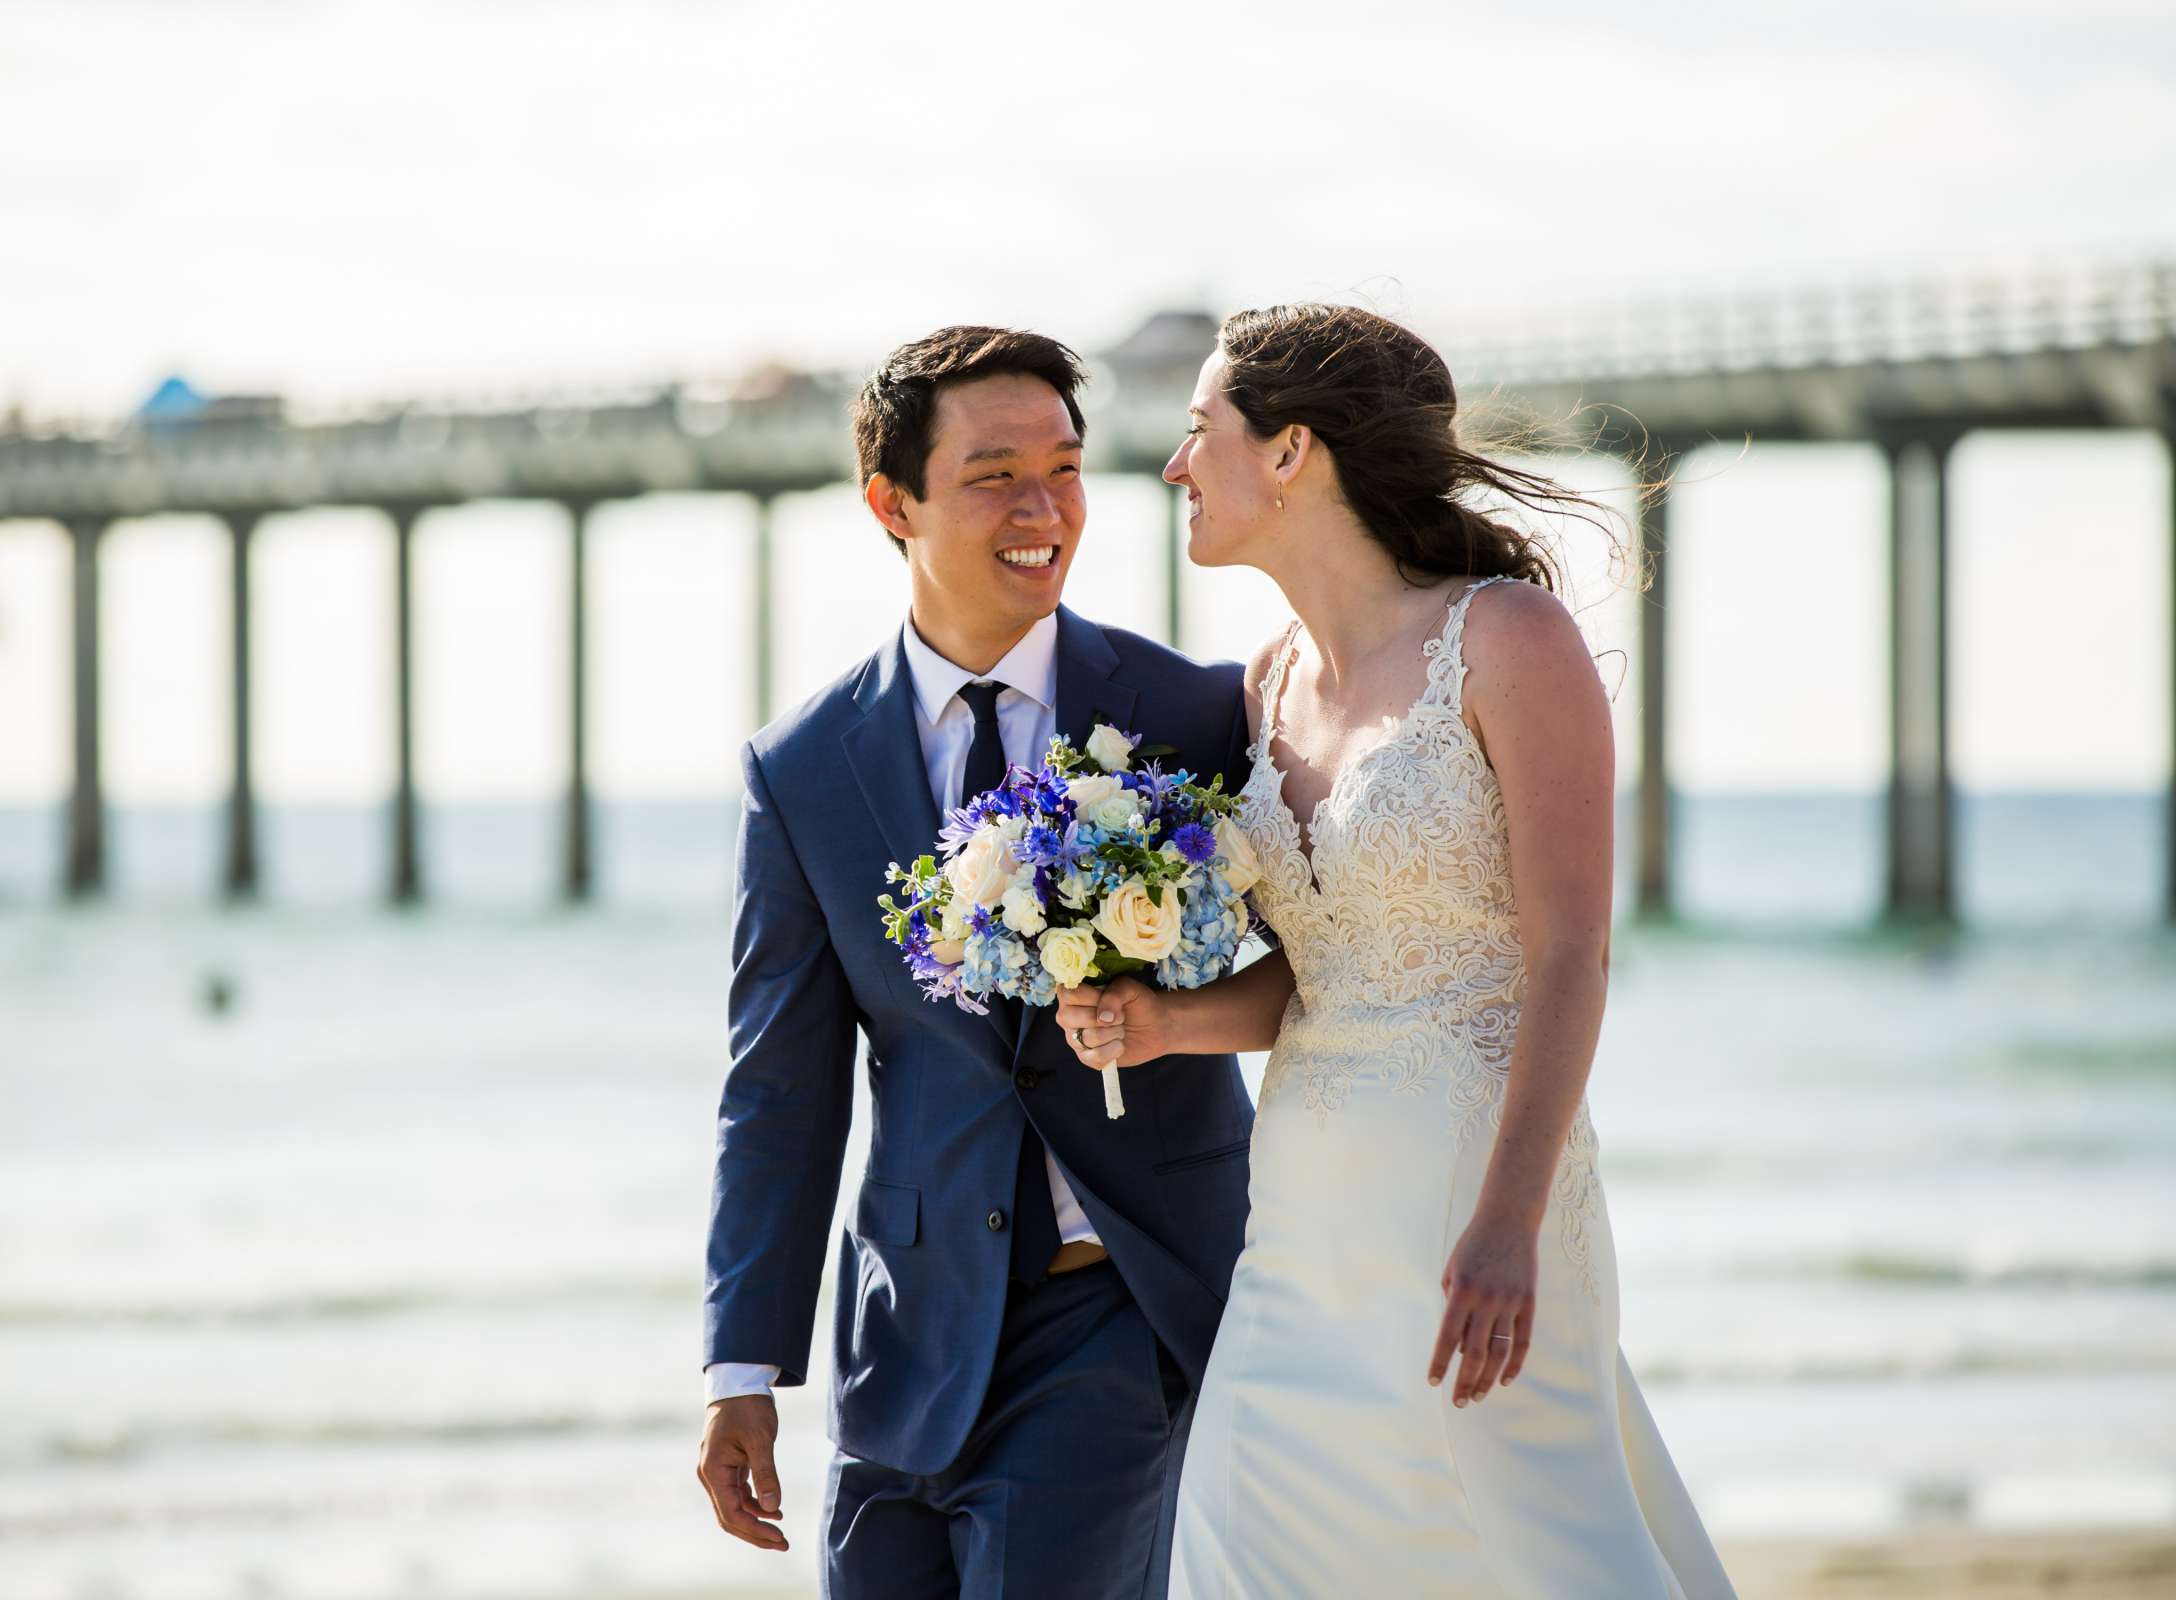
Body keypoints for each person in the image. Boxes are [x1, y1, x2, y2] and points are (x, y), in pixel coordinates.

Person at [1055, 304, 1737, 1598]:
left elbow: (1571, 958)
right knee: (1239, 1555)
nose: (1176, 465)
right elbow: (1324, 972)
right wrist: (1162, 1023)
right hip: (1298, 1229)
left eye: (1202, 433)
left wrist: (1509, 1220)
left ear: (1291, 450)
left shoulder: (1507, 642)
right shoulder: (1263, 686)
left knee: (1542, 1554)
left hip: (1469, 1218)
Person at [697, 325, 1272, 1599]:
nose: (1043, 508)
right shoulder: (801, 770)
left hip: (1118, 1314)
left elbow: (1322, 974)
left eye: (1064, 470)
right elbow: (780, 1086)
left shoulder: (1191, 715)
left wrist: (1169, 1020)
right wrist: (745, 1367)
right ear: (890, 502)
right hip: (901, 1342)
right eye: (995, 473)